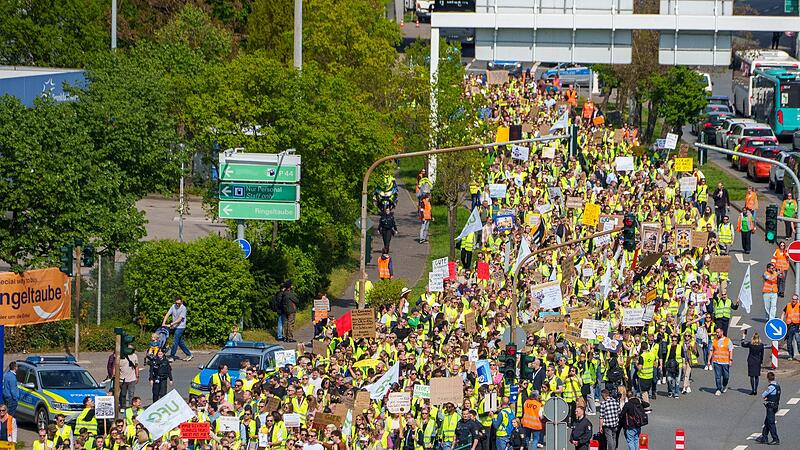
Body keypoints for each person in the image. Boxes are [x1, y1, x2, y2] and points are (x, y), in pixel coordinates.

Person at [162, 295, 192, 362]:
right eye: (176, 303)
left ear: (181, 301)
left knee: (175, 341)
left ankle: (172, 356)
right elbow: (167, 314)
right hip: (175, 326)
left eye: (178, 303)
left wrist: (171, 324)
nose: (177, 304)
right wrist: (163, 323)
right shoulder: (173, 306)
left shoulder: (183, 308)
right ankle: (189, 354)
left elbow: (180, 319)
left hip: (181, 327)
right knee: (180, 342)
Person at [754, 372, 781, 445]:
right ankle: (764, 437)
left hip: (770, 407)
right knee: (767, 422)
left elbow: (763, 395)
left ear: (768, 379)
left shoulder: (771, 387)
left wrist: (766, 398)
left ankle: (775, 439)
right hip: (775, 406)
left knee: (771, 423)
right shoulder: (777, 386)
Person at [708, 328, 733, 396]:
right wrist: (708, 361)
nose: (717, 334)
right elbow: (711, 351)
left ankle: (724, 385)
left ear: (722, 332)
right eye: (716, 332)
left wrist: (730, 360)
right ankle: (718, 389)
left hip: (725, 362)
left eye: (718, 332)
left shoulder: (728, 340)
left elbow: (730, 350)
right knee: (718, 377)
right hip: (716, 362)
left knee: (726, 376)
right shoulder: (714, 340)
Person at [740, 330, 765, 395]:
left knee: (751, 376)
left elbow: (743, 345)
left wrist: (743, 337)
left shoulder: (750, 344)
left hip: (751, 361)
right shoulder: (761, 345)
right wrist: (761, 361)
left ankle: (752, 389)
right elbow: (762, 354)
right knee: (756, 376)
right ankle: (755, 390)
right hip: (757, 361)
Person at [118, 345, 139, 411]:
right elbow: (116, 368)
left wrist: (137, 376)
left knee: (131, 394)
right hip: (122, 379)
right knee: (123, 394)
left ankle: (131, 407)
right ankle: (122, 407)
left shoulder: (134, 356)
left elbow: (136, 366)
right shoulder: (121, 357)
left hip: (132, 378)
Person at [781, 294, 800, 360]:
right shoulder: (788, 305)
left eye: (795, 299)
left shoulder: (799, 306)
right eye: (793, 299)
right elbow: (783, 312)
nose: (794, 300)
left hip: (797, 326)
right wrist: (781, 320)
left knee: (798, 341)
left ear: (797, 300)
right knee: (789, 342)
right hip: (789, 327)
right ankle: (790, 355)